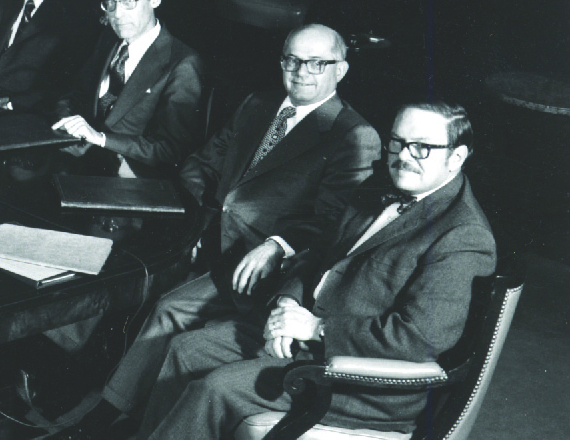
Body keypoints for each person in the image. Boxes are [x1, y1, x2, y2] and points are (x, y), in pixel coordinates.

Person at [51, 24, 380, 440]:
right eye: (293, 60)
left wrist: (277, 245)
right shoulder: (259, 104)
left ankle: (112, 418)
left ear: (341, 70)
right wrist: (193, 219)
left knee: (170, 308)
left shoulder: (353, 135)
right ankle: (94, 404)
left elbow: (334, 224)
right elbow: (201, 164)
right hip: (209, 238)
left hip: (269, 270)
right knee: (119, 270)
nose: (302, 71)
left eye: (318, 63)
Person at [139, 103, 497, 440]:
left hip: (357, 381)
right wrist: (285, 306)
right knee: (186, 348)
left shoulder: (463, 236)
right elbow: (317, 257)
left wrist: (316, 328)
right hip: (305, 339)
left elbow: (418, 339)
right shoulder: (378, 189)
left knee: (214, 388)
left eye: (422, 148)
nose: (403, 156)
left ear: (457, 157)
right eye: (398, 143)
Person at [52, 0, 204, 179]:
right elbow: (73, 97)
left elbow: (169, 150)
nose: (117, 14)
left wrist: (100, 138)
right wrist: (67, 130)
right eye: (110, 3)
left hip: (131, 181)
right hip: (81, 165)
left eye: (128, 1)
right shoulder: (108, 41)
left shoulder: (183, 63)